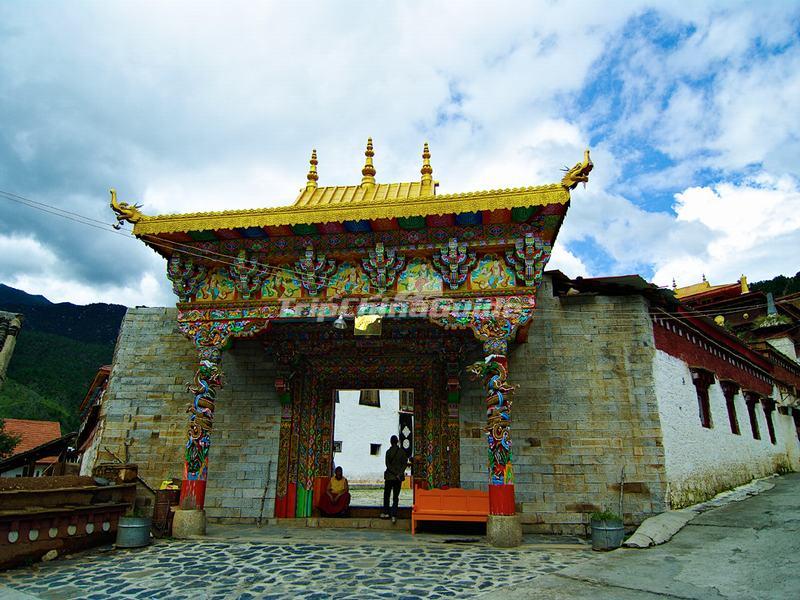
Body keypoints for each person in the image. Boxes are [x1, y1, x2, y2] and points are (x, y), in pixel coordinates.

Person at [381, 435, 408, 524]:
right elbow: (405, 464)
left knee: (387, 495)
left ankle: (386, 512)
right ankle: (394, 515)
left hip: (389, 477)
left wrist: (394, 473)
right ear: (397, 442)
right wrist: (399, 473)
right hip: (398, 478)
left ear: (390, 442)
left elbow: (387, 465)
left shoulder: (388, 452)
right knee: (395, 497)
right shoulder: (402, 452)